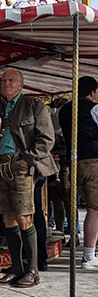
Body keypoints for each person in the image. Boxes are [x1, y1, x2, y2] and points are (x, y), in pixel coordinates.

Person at [0, 69, 56, 288]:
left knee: (25, 216)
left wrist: (28, 159)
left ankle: (32, 270)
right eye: (4, 80)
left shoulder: (35, 106)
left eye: (11, 80)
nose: (6, 83)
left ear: (20, 85)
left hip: (22, 167)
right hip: (0, 166)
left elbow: (47, 139)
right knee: (7, 217)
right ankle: (16, 268)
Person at [59, 76, 98, 270]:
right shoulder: (94, 109)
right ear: (93, 92)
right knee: (95, 209)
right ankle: (89, 255)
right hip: (94, 160)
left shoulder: (64, 110)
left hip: (75, 162)